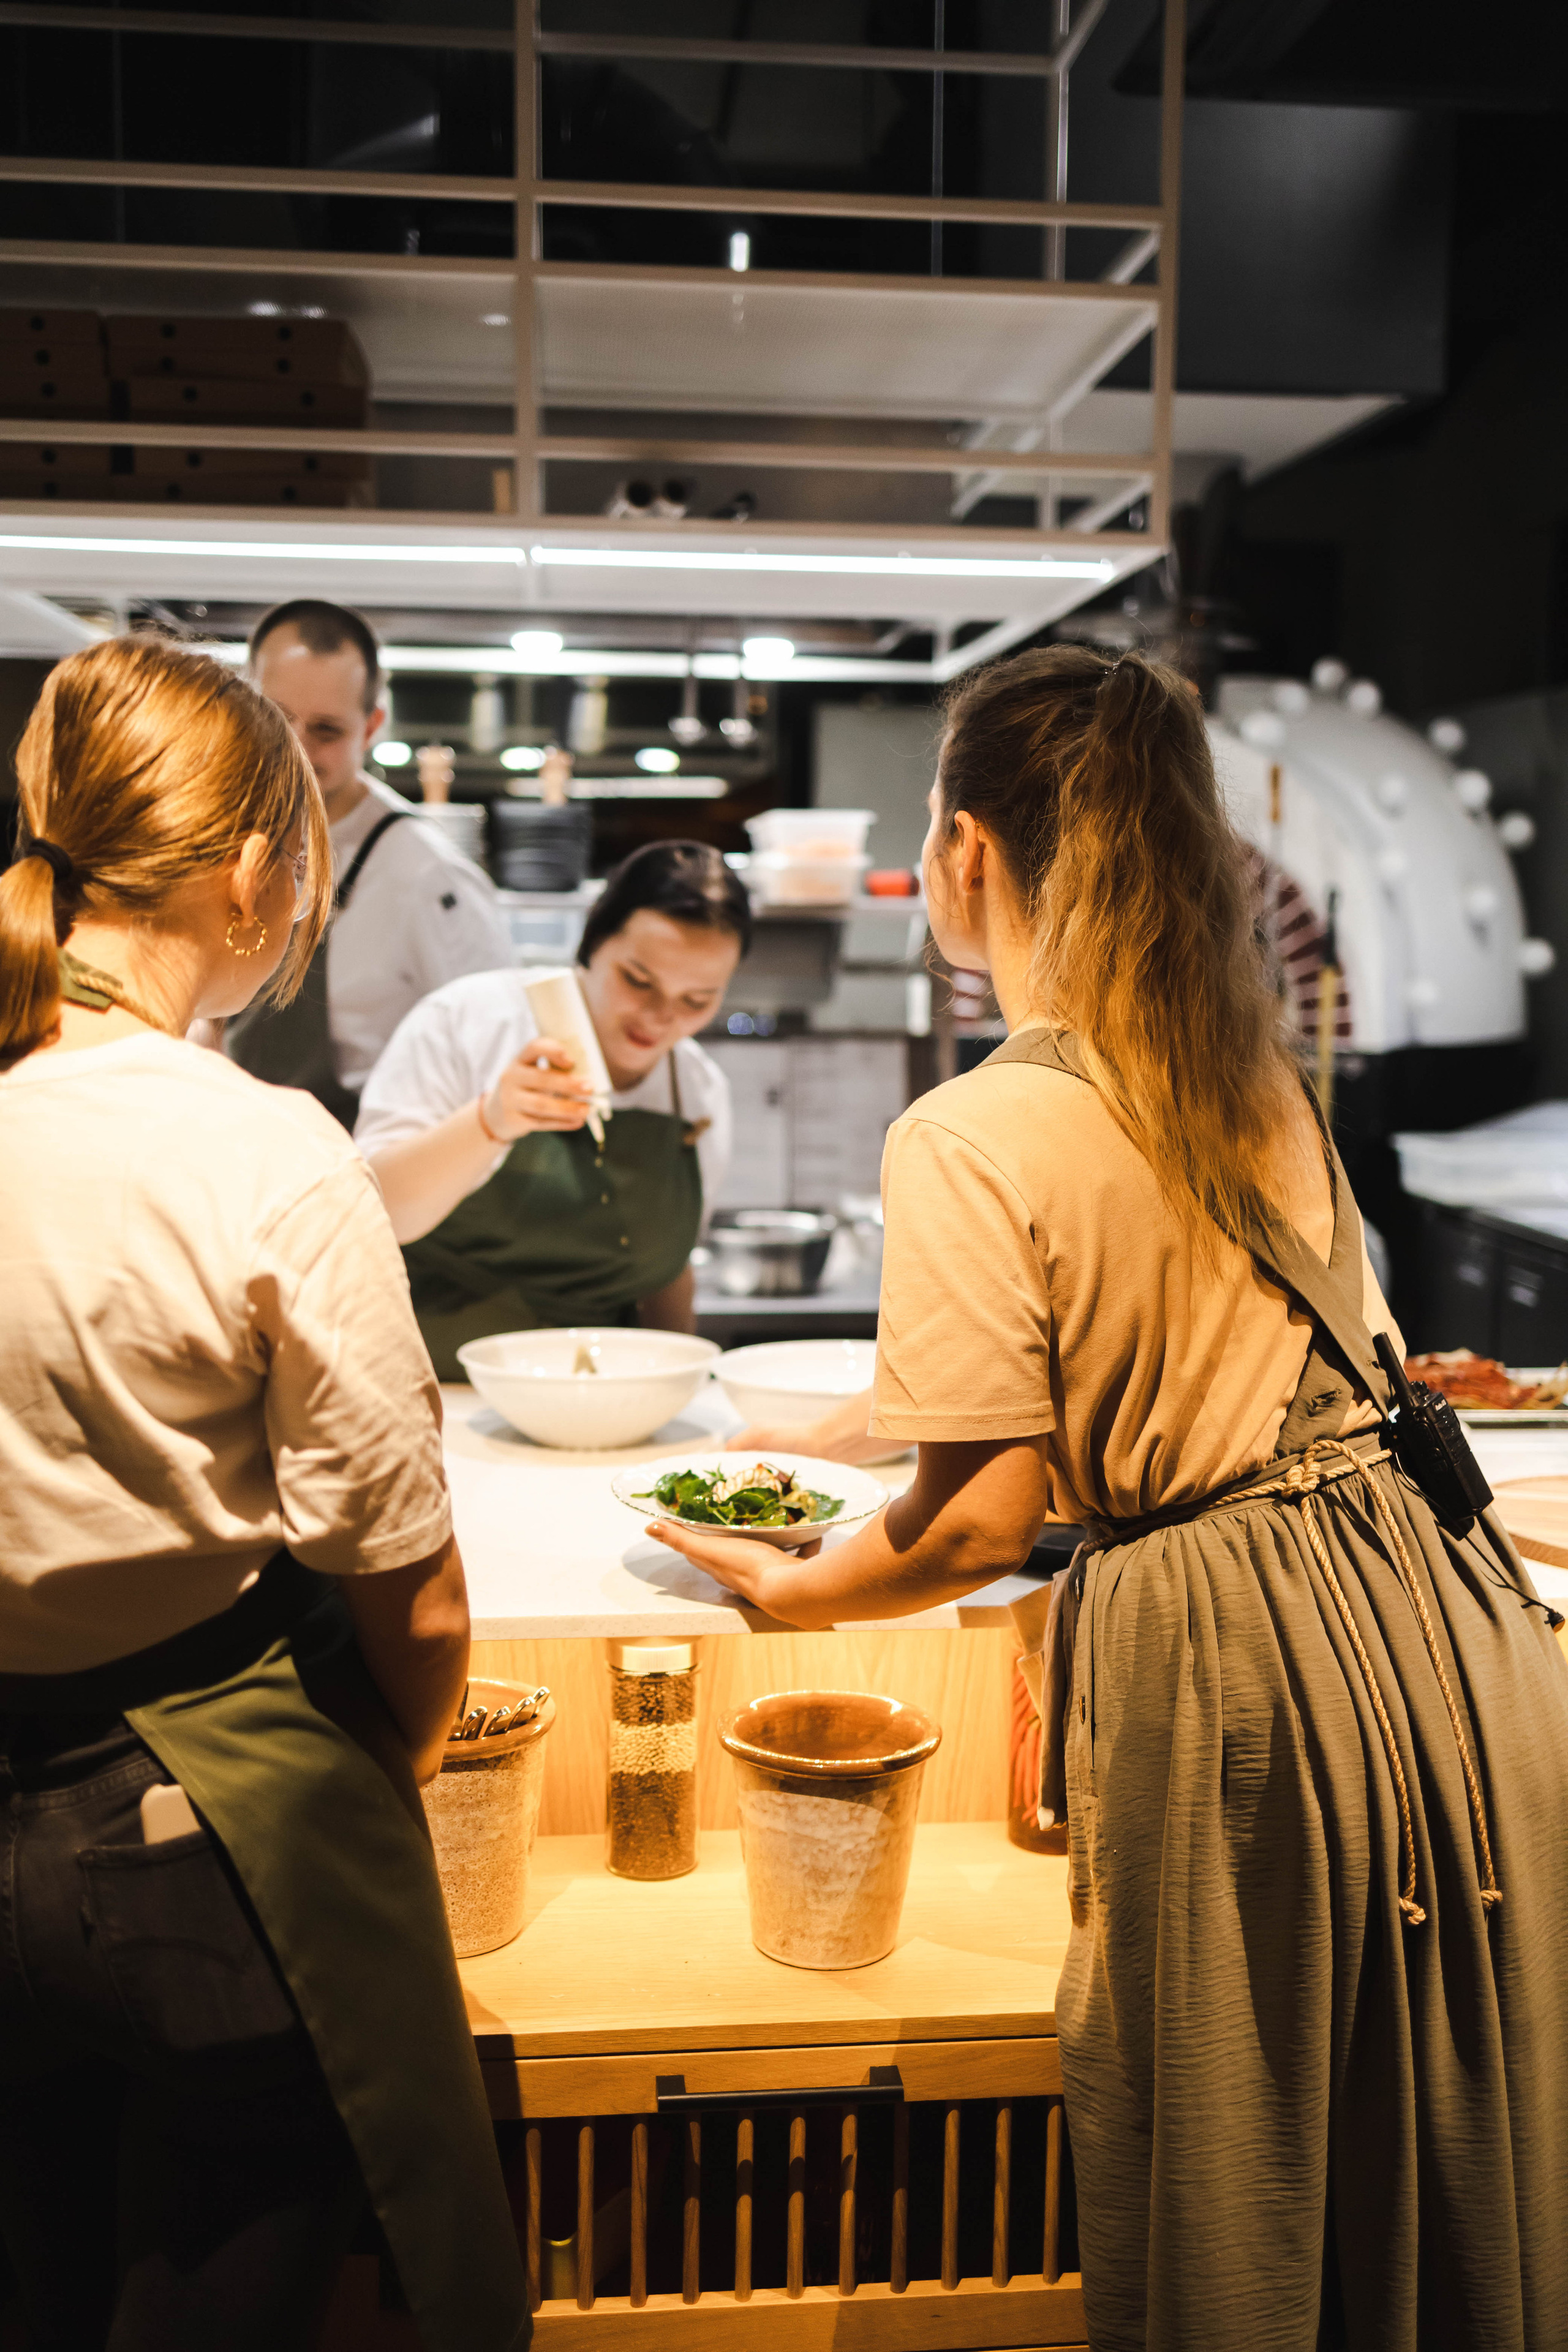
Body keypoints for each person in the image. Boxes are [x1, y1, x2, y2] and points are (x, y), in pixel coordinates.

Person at [649, 646, 1568, 2351]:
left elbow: (977, 1526)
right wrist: (883, 1417)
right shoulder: (1247, 1073)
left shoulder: (969, 1129)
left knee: (1240, 2179)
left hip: (1249, 1682)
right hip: (1449, 1648)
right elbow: (1214, 1361)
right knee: (1414, 2192)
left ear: (966, 850)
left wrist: (788, 1585)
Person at [0, 636, 527, 2352]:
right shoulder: (260, 1147)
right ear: (246, 875)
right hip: (190, 1847)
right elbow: (416, 1595)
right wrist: (380, 1768)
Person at [358, 840, 746, 1380]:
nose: (660, 1016)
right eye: (638, 981)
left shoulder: (698, 1092)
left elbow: (668, 1274)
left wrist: (681, 1387)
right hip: (429, 1387)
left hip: (599, 1400)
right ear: (592, 943)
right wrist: (492, 1121)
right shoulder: (470, 1021)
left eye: (697, 1000)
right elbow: (376, 1215)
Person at [224, 597, 513, 1125]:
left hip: (361, 1153)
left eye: (326, 731)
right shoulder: (226, 835)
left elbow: (495, 1054)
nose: (297, 749)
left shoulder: (428, 876)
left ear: (372, 726)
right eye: (278, 718)